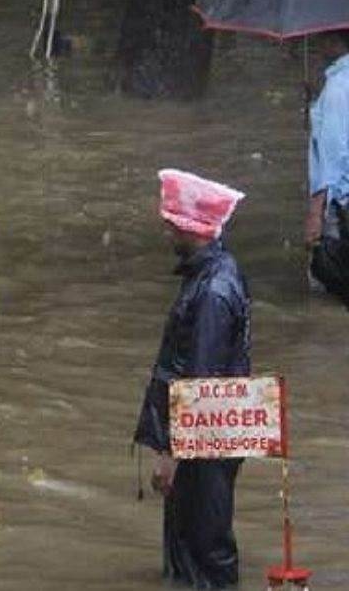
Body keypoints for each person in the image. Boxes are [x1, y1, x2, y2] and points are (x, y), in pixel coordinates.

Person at [134, 169, 250, 589]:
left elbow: (200, 383)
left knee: (204, 549)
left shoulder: (213, 292)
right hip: (207, 442)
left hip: (204, 445)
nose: (167, 233)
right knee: (191, 544)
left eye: (171, 225)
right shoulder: (212, 276)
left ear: (190, 228)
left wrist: (171, 456)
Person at [306, 30, 349, 307]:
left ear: (336, 42)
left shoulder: (336, 88)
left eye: (322, 39)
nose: (318, 46)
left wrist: (315, 214)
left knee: (326, 280)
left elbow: (331, 160)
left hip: (340, 200)